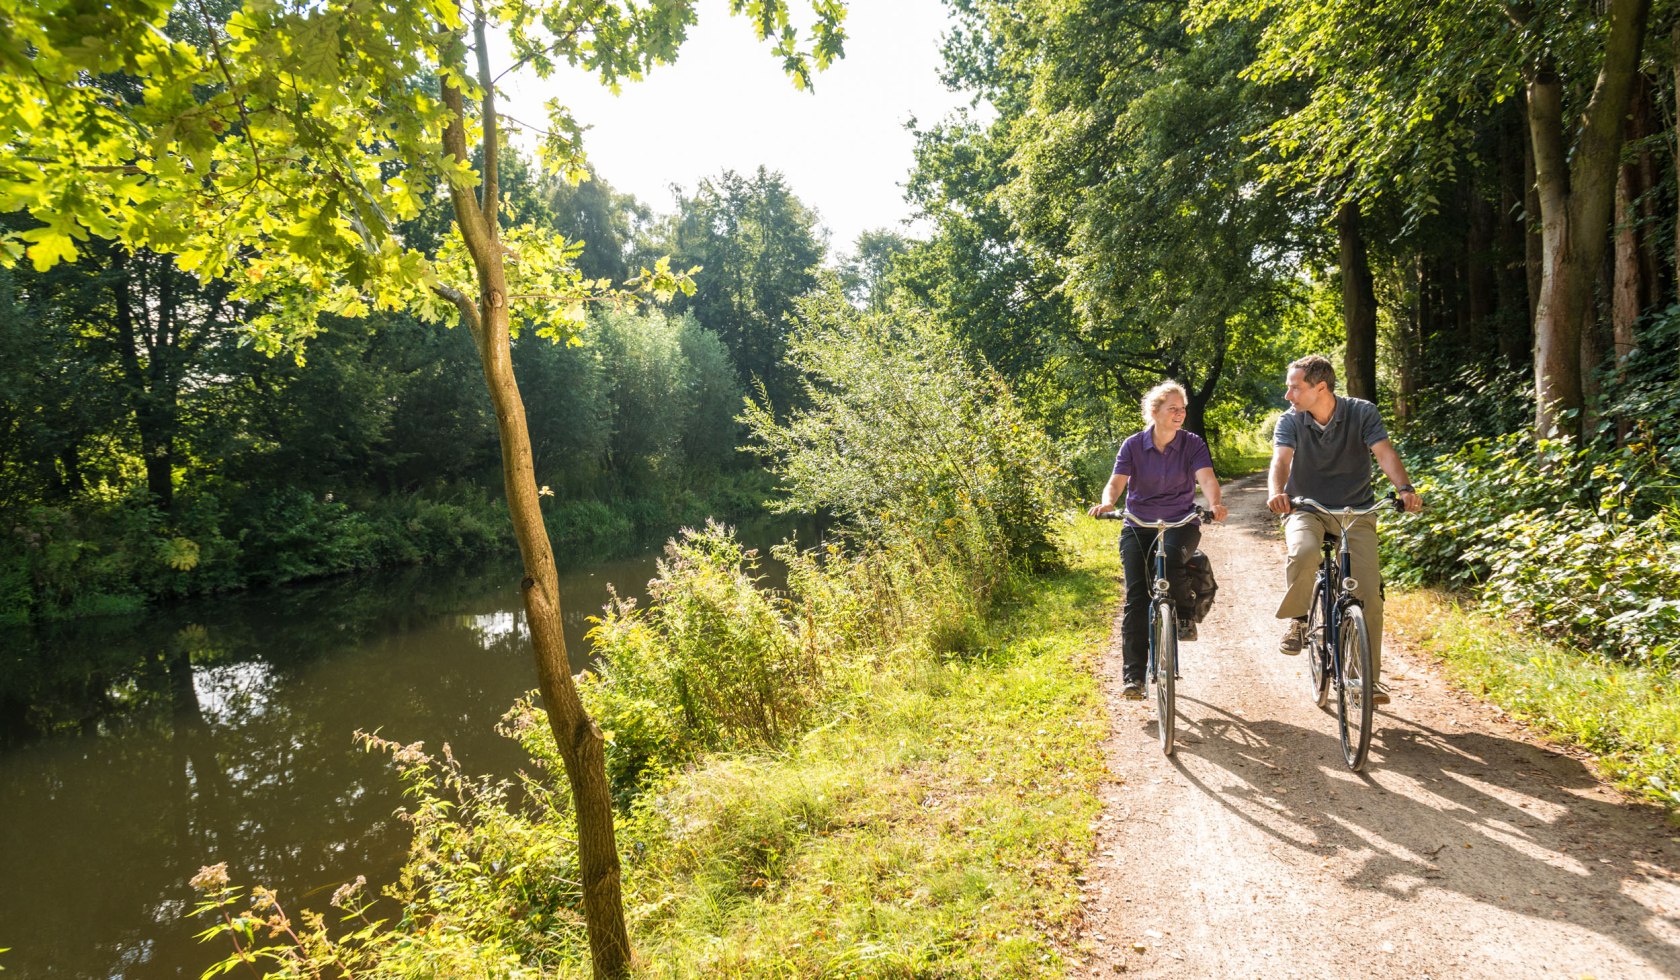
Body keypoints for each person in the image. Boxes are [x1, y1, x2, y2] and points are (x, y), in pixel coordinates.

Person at [1266, 355, 1422, 705]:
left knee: (1368, 594)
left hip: (1357, 511)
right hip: (1306, 508)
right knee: (1305, 553)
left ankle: (1367, 680)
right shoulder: (1291, 420)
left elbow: (1383, 452)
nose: (1288, 394)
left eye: (1295, 387)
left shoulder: (1361, 412)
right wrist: (1277, 493)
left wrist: (1405, 489)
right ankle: (1300, 618)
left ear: (1320, 387)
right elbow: (1281, 460)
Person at [1089, 381, 1229, 700]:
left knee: (1168, 562)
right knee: (1137, 597)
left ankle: (1182, 612)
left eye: (1182, 409)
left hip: (1181, 520)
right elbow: (1117, 481)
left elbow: (1206, 478)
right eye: (1173, 409)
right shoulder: (1133, 445)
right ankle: (1134, 678)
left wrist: (1215, 503)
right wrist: (1109, 501)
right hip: (1138, 523)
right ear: (1155, 412)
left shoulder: (1192, 444)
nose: (1180, 414)